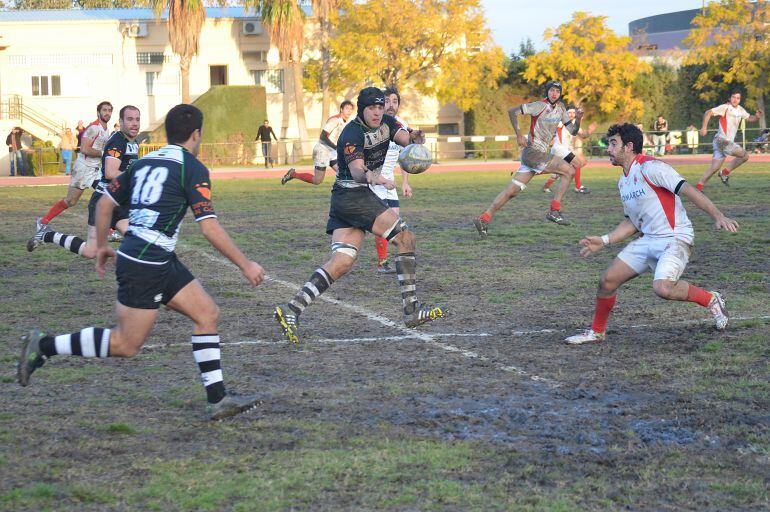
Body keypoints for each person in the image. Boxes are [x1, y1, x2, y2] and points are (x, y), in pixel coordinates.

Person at [17, 104, 265, 420]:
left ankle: (218, 400)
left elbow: (105, 203)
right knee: (125, 344)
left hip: (157, 258)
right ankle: (44, 346)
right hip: (146, 263)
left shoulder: (147, 160)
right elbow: (209, 227)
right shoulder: (192, 168)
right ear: (196, 134)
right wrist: (246, 264)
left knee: (207, 313)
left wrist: (104, 246)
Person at [273, 87, 444, 344]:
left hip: (344, 199)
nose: (377, 112)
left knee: (342, 262)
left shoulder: (388, 121)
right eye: (372, 108)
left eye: (380, 106)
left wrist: (416, 139)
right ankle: (411, 310)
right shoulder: (351, 133)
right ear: (362, 109)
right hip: (353, 196)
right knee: (405, 238)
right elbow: (356, 172)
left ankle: (291, 310)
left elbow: (405, 139)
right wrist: (376, 177)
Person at [565, 123, 739, 345]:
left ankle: (710, 298)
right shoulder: (624, 180)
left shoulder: (652, 168)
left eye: (613, 143)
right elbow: (631, 222)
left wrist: (718, 216)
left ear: (628, 147)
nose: (608, 149)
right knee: (607, 281)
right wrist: (605, 240)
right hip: (648, 239)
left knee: (663, 288)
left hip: (675, 238)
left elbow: (688, 190)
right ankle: (597, 333)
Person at [28, 105, 139, 258]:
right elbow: (109, 170)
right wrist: (138, 178)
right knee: (72, 204)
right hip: (88, 176)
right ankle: (47, 233)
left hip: (115, 197)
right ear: (120, 121)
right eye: (130, 119)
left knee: (137, 239)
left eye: (137, 119)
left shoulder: (131, 140)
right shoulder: (104, 134)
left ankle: (119, 248)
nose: (135, 123)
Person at [473, 80, 581, 236]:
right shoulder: (539, 105)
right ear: (547, 92)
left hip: (535, 156)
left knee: (512, 192)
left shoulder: (562, 109)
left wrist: (578, 119)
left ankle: (484, 218)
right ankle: (554, 211)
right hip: (533, 153)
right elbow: (512, 111)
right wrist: (518, 134)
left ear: (560, 94)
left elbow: (573, 131)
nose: (554, 93)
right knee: (569, 170)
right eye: (551, 90)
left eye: (557, 91)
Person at [28, 102, 113, 238]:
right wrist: (104, 153)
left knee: (107, 195)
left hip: (95, 170)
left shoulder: (105, 129)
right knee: (71, 201)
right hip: (84, 169)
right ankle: (43, 222)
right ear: (98, 112)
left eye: (109, 110)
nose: (107, 113)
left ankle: (109, 231)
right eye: (104, 110)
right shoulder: (93, 128)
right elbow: (85, 149)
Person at [695, 91, 763, 190]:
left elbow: (750, 118)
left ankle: (698, 187)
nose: (735, 100)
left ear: (740, 100)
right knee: (744, 155)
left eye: (738, 98)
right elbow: (708, 113)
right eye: (733, 97)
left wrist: (756, 117)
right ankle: (724, 173)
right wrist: (704, 128)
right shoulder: (725, 107)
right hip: (722, 140)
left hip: (723, 142)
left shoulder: (740, 110)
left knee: (714, 168)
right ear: (730, 98)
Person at [281, 100, 354, 186]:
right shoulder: (335, 120)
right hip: (322, 150)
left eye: (351, 109)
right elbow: (323, 137)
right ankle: (293, 174)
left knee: (344, 172)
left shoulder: (345, 123)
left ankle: (343, 193)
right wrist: (336, 148)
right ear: (341, 109)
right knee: (317, 180)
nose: (349, 111)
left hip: (332, 152)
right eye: (347, 108)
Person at [542, 108, 597, 194]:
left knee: (559, 170)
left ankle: (545, 186)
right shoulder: (562, 122)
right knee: (577, 163)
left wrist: (589, 131)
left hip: (561, 150)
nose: (571, 114)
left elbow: (583, 135)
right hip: (559, 149)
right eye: (569, 113)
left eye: (573, 113)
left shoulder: (575, 125)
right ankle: (578, 187)